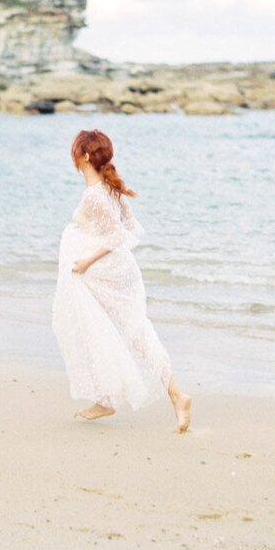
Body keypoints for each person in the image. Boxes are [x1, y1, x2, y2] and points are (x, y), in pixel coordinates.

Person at [52, 128, 192, 432]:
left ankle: (177, 396)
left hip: (105, 274)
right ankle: (108, 398)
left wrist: (87, 260)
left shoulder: (94, 195)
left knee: (111, 331)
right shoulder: (109, 189)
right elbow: (130, 226)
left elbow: (116, 234)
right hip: (121, 270)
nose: (74, 156)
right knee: (111, 330)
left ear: (86, 156)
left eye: (77, 151)